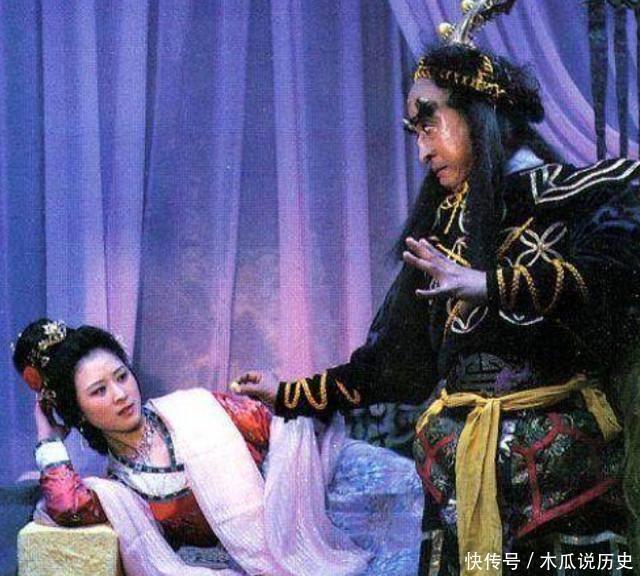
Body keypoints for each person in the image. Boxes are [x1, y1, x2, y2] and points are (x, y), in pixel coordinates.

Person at [235, 4, 640, 575]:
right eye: (415, 132)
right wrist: (290, 394)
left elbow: (614, 273)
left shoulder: (577, 195)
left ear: (478, 114)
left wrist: (494, 284)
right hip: (459, 484)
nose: (423, 150)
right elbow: (394, 363)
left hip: (562, 483)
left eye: (430, 124)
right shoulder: (441, 232)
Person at [14, 318, 423, 576]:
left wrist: (279, 395)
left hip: (311, 522)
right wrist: (48, 438)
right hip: (243, 569)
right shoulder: (118, 491)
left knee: (397, 478)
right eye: (99, 391)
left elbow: (283, 435)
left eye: (122, 376)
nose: (120, 395)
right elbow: (66, 505)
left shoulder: (199, 409)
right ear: (79, 412)